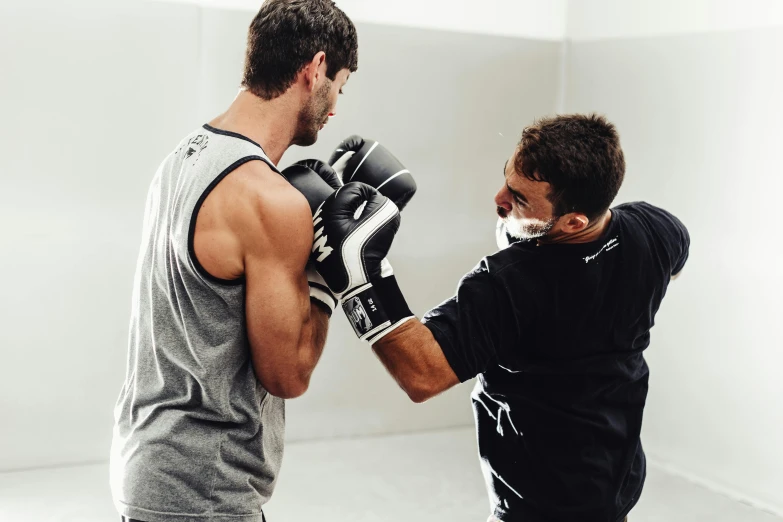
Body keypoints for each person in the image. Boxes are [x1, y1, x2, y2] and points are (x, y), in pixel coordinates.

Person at [312, 114, 690, 522]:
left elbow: (422, 373)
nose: (498, 199)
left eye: (520, 199)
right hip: (616, 485)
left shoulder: (509, 284)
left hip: (539, 505)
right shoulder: (654, 229)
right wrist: (537, 238)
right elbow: (672, 267)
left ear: (573, 221)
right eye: (506, 180)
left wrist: (362, 275)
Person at [109, 1, 359, 521]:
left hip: (147, 462)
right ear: (314, 69)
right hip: (205, 488)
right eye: (339, 85)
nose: (335, 107)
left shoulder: (183, 155)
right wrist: (329, 273)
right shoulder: (269, 200)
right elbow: (287, 376)